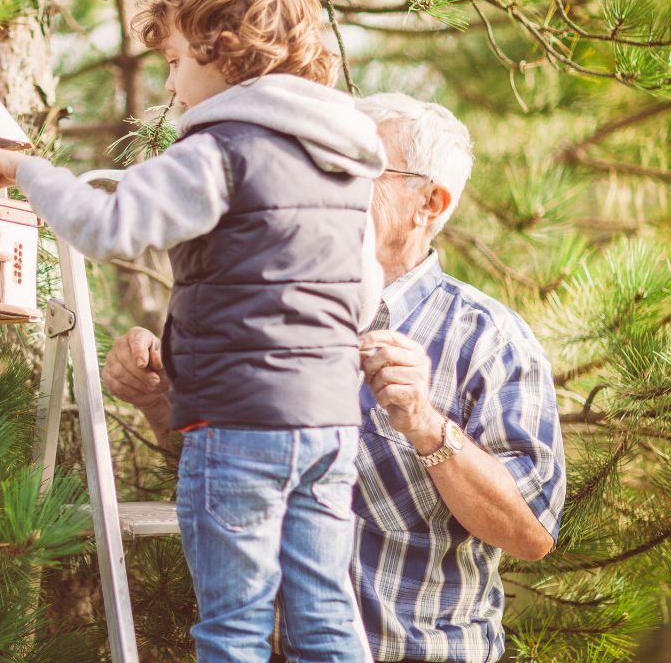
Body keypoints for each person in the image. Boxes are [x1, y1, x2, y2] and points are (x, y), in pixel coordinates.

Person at [0, 0, 383, 662]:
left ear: (227, 52)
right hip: (331, 422)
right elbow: (365, 296)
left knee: (234, 627)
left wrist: (28, 170)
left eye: (178, 59)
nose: (171, 82)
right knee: (327, 619)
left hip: (239, 425)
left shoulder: (221, 147)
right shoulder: (345, 159)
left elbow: (107, 228)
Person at [104, 93, 567, 663]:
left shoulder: (492, 338)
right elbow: (223, 473)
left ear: (429, 203)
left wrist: (426, 427)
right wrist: (158, 401)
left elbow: (531, 533)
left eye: (353, 168)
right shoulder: (262, 302)